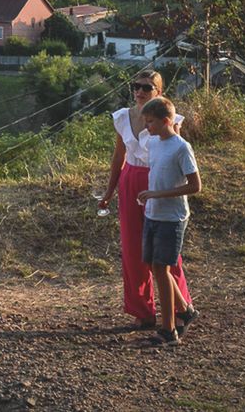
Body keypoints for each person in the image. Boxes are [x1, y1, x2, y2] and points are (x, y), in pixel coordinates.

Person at [97, 70, 193, 327]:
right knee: (132, 249)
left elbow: (177, 154)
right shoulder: (122, 117)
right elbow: (119, 157)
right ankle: (143, 312)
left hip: (158, 181)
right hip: (130, 181)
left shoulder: (169, 119)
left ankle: (180, 308)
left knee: (165, 250)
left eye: (147, 87)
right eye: (136, 86)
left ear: (158, 92)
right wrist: (109, 191)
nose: (139, 91)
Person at [137, 96, 202, 346]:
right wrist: (150, 197)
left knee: (162, 269)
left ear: (166, 121)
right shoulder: (154, 143)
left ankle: (169, 330)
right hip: (152, 214)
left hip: (172, 217)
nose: (147, 127)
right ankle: (185, 310)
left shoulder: (181, 147)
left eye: (150, 122)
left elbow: (195, 186)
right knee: (155, 268)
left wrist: (157, 194)